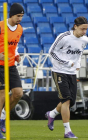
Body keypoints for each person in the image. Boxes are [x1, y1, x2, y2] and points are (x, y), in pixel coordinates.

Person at [45, 16, 88, 138]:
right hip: (59, 71)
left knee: (70, 102)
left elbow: (79, 54)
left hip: (72, 73)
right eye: (82, 29)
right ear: (75, 26)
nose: (84, 32)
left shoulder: (85, 40)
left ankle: (52, 114)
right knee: (66, 100)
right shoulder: (64, 37)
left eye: (86, 29)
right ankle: (67, 131)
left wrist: (78, 64)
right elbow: (52, 52)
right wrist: (66, 62)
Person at [0, 3, 24, 139]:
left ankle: (2, 116)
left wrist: (16, 54)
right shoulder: (1, 26)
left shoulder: (19, 29)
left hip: (10, 65)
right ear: (11, 15)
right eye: (18, 16)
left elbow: (15, 45)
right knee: (2, 94)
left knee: (18, 94)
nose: (20, 18)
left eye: (21, 16)